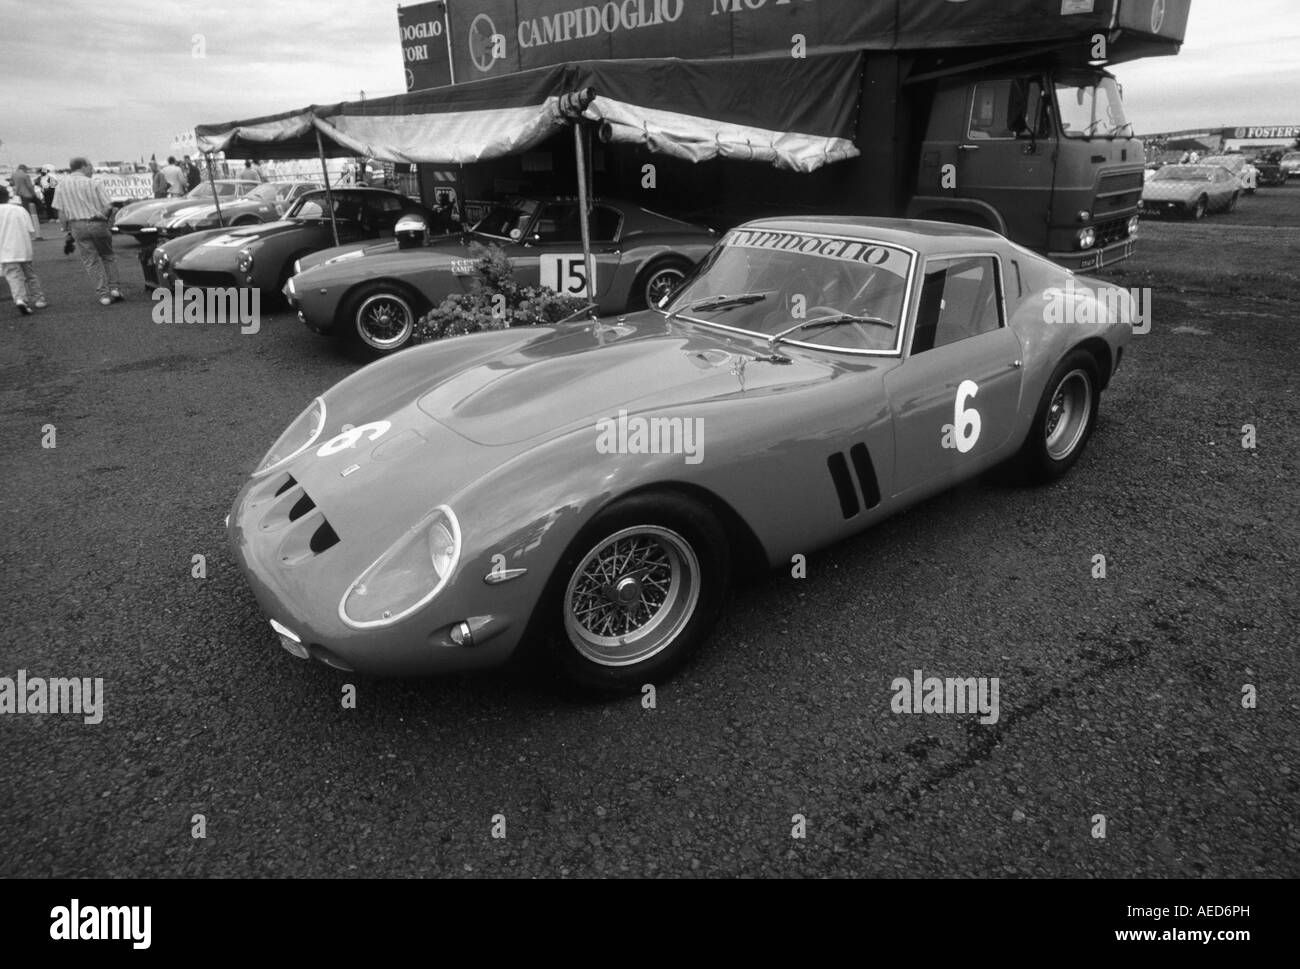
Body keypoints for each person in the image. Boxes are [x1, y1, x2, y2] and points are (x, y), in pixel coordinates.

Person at [51, 157, 123, 306]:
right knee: (108, 256)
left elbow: (61, 212)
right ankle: (115, 288)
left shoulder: (61, 186)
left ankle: (103, 295)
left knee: (91, 261)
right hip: (98, 223)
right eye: (90, 166)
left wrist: (66, 229)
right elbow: (108, 206)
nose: (92, 169)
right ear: (83, 167)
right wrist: (104, 219)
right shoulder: (94, 183)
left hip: (77, 225)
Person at [0, 185, 48, 314]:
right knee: (30, 275)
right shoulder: (19, 209)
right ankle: (39, 299)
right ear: (7, 196)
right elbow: (31, 230)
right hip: (23, 249)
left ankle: (20, 299)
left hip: (5, 252)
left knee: (14, 277)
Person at [12, 164, 44, 240]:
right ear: (24, 168)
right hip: (27, 193)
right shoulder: (25, 175)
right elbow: (29, 186)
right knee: (32, 207)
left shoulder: (14, 174)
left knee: (24, 207)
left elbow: (12, 183)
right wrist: (33, 193)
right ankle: (33, 222)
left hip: (19, 193)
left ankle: (28, 221)